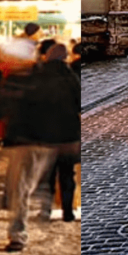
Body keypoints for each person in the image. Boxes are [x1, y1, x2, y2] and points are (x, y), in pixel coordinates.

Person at [0, 39, 68, 253]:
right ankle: (22, 230)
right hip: (30, 140)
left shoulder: (25, 80)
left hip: (32, 138)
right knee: (23, 185)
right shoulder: (30, 78)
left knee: (23, 186)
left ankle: (23, 229)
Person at [38, 43, 81, 223]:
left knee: (47, 174)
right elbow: (79, 102)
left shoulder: (39, 76)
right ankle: (68, 211)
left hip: (46, 131)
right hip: (68, 132)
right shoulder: (70, 76)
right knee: (67, 173)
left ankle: (46, 210)